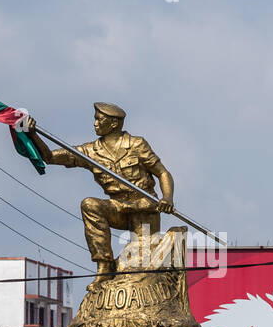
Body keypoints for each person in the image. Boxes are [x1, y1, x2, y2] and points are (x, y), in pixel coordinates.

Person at [22, 103, 174, 279]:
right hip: (117, 207)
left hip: (143, 206)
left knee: (143, 265)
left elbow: (162, 173)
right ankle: (104, 266)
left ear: (114, 124)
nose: (94, 123)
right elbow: (49, 157)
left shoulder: (136, 144)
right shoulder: (90, 151)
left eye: (98, 119)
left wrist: (167, 198)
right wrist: (32, 134)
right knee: (90, 205)